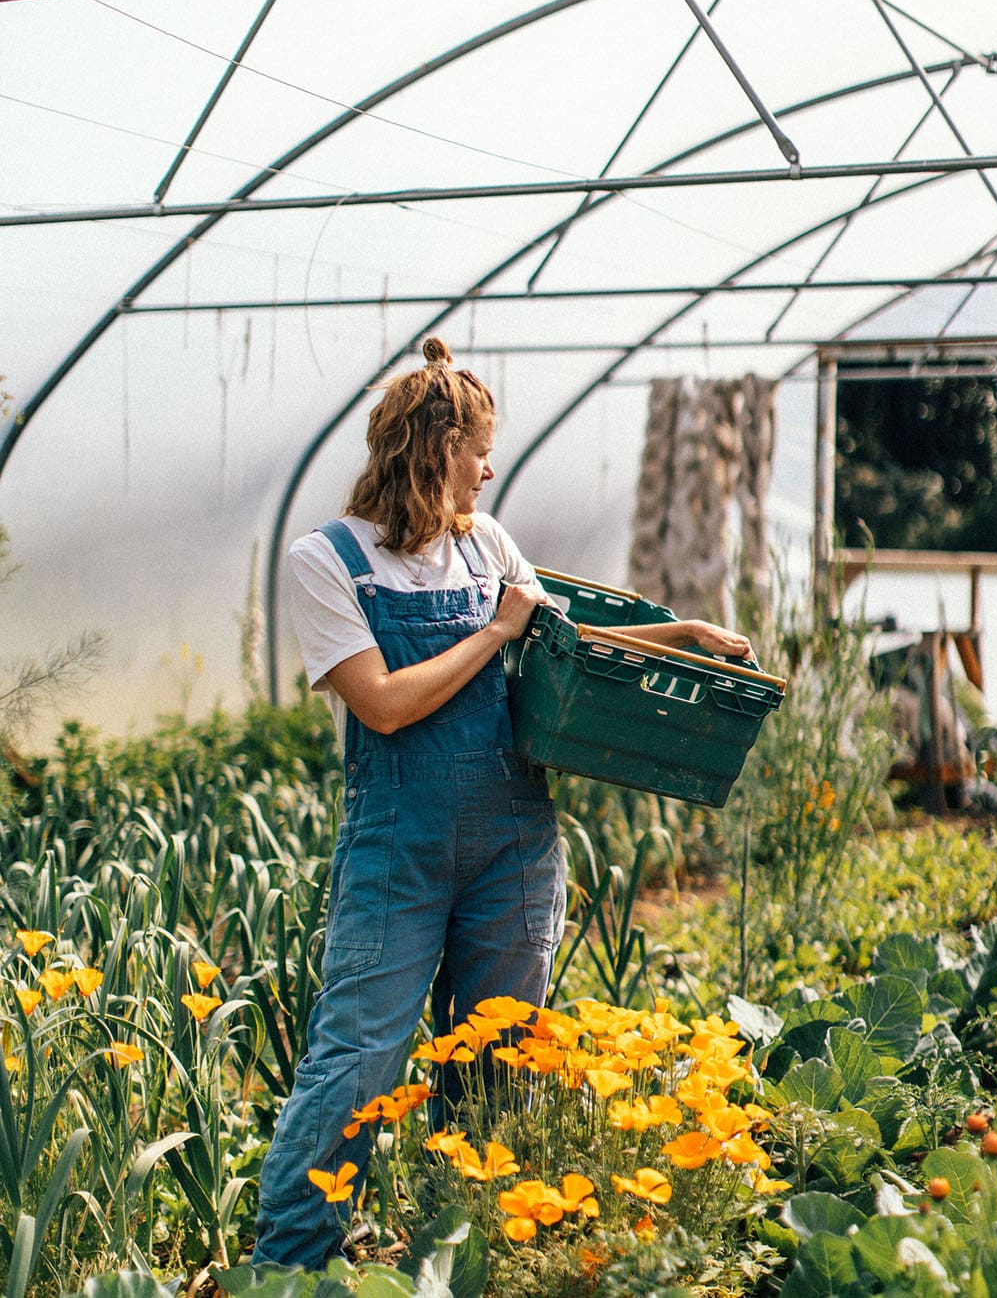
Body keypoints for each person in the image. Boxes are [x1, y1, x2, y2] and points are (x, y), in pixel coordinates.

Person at [251, 337, 756, 1270]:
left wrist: (681, 633)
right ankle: (288, 1268)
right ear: (431, 447)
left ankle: (460, 1256)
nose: (490, 467)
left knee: (496, 1069)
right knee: (356, 1061)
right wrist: (493, 632)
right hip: (396, 850)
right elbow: (386, 704)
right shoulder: (325, 559)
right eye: (478, 447)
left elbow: (567, 645)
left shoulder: (487, 545)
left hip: (514, 847)